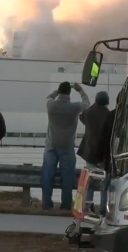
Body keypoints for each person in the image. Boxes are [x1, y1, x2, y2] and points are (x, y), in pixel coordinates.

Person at [42, 81, 89, 210]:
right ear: (69, 93)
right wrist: (80, 91)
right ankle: (66, 205)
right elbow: (87, 104)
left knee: (47, 174)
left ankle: (46, 203)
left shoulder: (51, 105)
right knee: (68, 176)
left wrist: (56, 91)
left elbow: (48, 97)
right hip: (67, 146)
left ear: (59, 92)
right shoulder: (74, 107)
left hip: (51, 145)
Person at [77, 91, 111, 214]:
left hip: (89, 152)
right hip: (103, 154)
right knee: (104, 182)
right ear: (107, 102)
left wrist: (93, 106)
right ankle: (102, 208)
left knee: (90, 180)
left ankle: (88, 205)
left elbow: (81, 117)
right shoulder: (108, 115)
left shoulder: (88, 113)